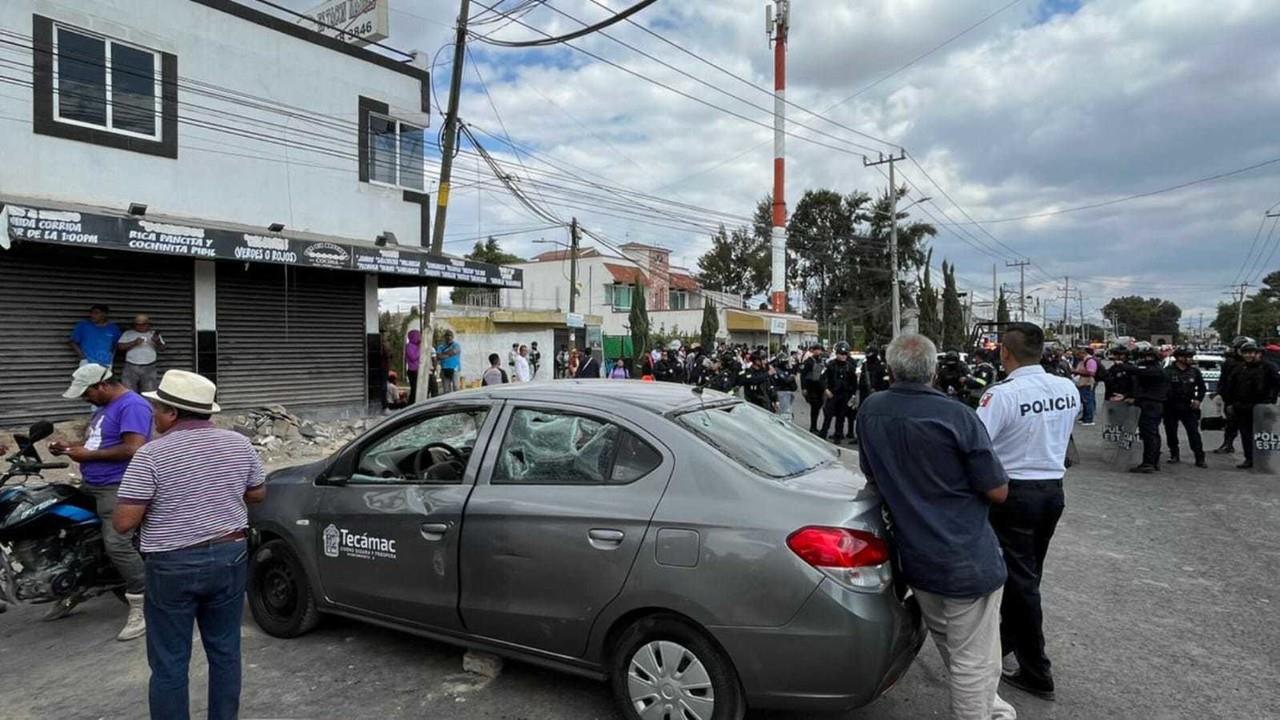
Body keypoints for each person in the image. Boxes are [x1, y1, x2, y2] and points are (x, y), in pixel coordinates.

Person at [857, 333, 1015, 720]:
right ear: (932, 370)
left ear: (892, 369)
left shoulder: (871, 410)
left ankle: (990, 707)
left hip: (915, 557)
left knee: (957, 645)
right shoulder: (957, 415)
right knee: (972, 660)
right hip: (965, 557)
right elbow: (997, 491)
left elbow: (870, 474)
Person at [112, 370, 265, 720]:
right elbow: (258, 493)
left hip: (172, 565)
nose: (153, 415)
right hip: (230, 556)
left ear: (173, 413)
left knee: (169, 662)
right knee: (226, 651)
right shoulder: (239, 444)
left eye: (158, 408)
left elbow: (123, 523)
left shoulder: (151, 456)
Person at [975, 322, 1077, 703]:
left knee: (1020, 583)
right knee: (1027, 575)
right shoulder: (1066, 388)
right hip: (1052, 491)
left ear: (1004, 352)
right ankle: (1003, 646)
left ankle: (1036, 670)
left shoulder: (1001, 395)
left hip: (1014, 493)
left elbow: (977, 443)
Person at [46, 364, 152, 639]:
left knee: (117, 542)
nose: (85, 398)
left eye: (86, 393)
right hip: (93, 483)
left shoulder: (132, 406)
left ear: (102, 385)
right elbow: (97, 444)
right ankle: (79, 586)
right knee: (75, 536)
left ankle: (144, 601)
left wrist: (86, 456)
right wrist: (68, 447)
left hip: (117, 486)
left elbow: (134, 448)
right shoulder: (104, 409)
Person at [1225, 342, 1280, 469]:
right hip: (1242, 406)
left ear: (1257, 353)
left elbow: (1276, 385)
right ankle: (1249, 459)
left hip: (1262, 406)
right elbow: (1230, 387)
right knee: (1246, 435)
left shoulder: (1268, 367)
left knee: (1263, 435)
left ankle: (1265, 460)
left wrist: (1270, 401)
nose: (1249, 355)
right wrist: (1230, 403)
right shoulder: (1239, 369)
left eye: (1251, 353)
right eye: (1246, 353)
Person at [1127, 345, 1170, 473]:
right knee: (1153, 434)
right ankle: (1153, 461)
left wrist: (1123, 366)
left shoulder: (1153, 370)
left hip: (1150, 404)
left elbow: (1136, 371)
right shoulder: (1158, 368)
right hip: (1154, 404)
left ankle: (1149, 462)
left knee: (1149, 434)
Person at [1164, 347, 1207, 468]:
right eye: (1187, 356)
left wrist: (1198, 399)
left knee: (1193, 432)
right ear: (1179, 358)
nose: (1190, 359)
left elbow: (1202, 388)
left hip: (1188, 406)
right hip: (1171, 406)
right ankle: (1174, 454)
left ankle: (1199, 457)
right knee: (1171, 431)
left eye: (1190, 356)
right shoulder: (1168, 371)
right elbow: (1162, 389)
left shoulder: (1194, 371)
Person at [1213, 336, 1251, 454]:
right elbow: (1223, 380)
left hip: (1249, 399)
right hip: (1231, 398)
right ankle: (1228, 444)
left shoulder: (1254, 363)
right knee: (1231, 422)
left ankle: (1251, 453)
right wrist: (1220, 394)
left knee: (1248, 427)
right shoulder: (1230, 363)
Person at [820, 342, 858, 442]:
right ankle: (823, 433)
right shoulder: (830, 365)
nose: (843, 356)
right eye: (841, 354)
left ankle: (838, 435)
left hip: (844, 394)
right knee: (828, 415)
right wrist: (825, 389)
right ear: (837, 354)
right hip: (832, 393)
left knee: (841, 417)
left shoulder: (850, 367)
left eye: (845, 354)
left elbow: (854, 382)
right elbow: (822, 378)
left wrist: (853, 395)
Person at [118, 314, 166, 393]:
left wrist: (157, 341)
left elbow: (163, 348)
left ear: (148, 324)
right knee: (128, 392)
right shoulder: (128, 333)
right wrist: (134, 342)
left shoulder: (153, 334)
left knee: (149, 392)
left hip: (149, 366)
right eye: (138, 324)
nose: (140, 326)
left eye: (143, 324)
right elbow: (120, 346)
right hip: (131, 366)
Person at [70, 304, 122, 368]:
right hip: (87, 363)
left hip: (106, 364)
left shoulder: (113, 328)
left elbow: (116, 345)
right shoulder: (83, 325)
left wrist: (111, 360)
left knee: (104, 378)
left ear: (105, 314)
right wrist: (83, 358)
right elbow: (73, 342)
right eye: (91, 313)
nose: (92, 315)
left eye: (96, 313)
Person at [800, 344, 827, 433]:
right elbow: (803, 375)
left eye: (820, 350)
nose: (818, 352)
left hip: (820, 387)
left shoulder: (822, 361)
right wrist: (804, 388)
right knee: (814, 407)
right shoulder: (808, 361)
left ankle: (815, 427)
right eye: (817, 350)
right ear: (813, 351)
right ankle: (813, 427)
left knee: (818, 406)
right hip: (811, 387)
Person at [1071, 347, 1099, 426]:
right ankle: (1084, 417)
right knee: (1084, 400)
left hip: (1087, 383)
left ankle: (1089, 419)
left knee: (1087, 401)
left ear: (1083, 353)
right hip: (1082, 382)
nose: (1077, 356)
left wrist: (1078, 372)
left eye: (1078, 355)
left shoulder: (1090, 360)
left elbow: (1091, 373)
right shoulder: (1083, 360)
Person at [404, 329, 423, 402]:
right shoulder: (409, 346)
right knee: (415, 390)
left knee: (418, 389)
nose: (419, 338)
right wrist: (419, 348)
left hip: (418, 369)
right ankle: (411, 404)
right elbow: (413, 357)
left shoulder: (417, 345)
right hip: (413, 371)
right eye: (418, 336)